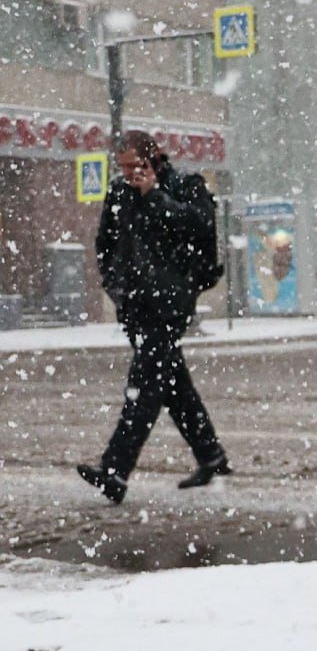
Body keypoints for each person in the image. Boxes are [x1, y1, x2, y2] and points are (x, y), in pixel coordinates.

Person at [77, 130, 230, 504]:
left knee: (144, 386)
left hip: (170, 305)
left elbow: (198, 229)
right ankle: (211, 455)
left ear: (154, 158)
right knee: (172, 384)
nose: (129, 174)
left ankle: (115, 471)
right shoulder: (118, 194)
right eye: (124, 167)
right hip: (135, 305)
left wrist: (154, 196)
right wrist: (115, 286)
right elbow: (106, 245)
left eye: (135, 166)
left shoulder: (184, 187)